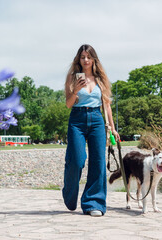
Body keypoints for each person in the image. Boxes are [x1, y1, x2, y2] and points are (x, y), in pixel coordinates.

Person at [62, 44, 120, 217]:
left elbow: (107, 105)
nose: (85, 60)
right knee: (77, 160)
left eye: (88, 57)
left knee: (98, 163)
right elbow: (68, 104)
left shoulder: (100, 79)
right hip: (77, 120)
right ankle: (69, 195)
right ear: (78, 59)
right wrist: (76, 90)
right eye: (82, 57)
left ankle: (93, 203)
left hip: (96, 119)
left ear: (94, 59)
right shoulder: (72, 77)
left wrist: (113, 128)